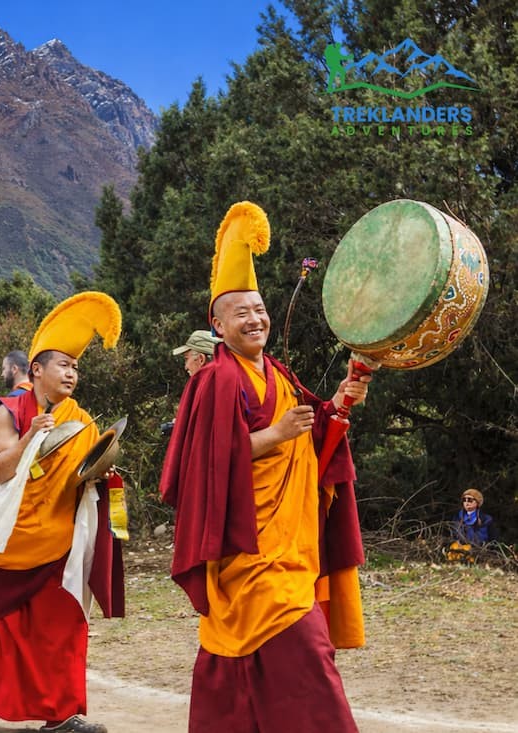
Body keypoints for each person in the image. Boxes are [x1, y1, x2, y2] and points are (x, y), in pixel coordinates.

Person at [160, 202, 371, 733]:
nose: (254, 319)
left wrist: (341, 400)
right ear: (218, 323)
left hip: (286, 545)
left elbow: (313, 428)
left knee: (247, 658)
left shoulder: (276, 372)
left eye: (259, 309)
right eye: (240, 313)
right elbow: (201, 465)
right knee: (306, 654)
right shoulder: (217, 380)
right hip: (244, 547)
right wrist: (276, 434)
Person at [0, 292, 124, 733]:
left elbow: (83, 472)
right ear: (36, 371)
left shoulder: (80, 420)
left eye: (76, 367)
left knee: (63, 627)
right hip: (11, 542)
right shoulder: (8, 413)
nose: (72, 374)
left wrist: (102, 473)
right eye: (63, 365)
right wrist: (30, 437)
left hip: (58, 543)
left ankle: (61, 715)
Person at [447, 489, 495, 562]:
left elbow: (486, 538)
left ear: (477, 502)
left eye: (470, 500)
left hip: (477, 550)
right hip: (459, 548)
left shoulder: (485, 519)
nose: (466, 502)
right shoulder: (457, 517)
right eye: (464, 500)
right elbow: (453, 534)